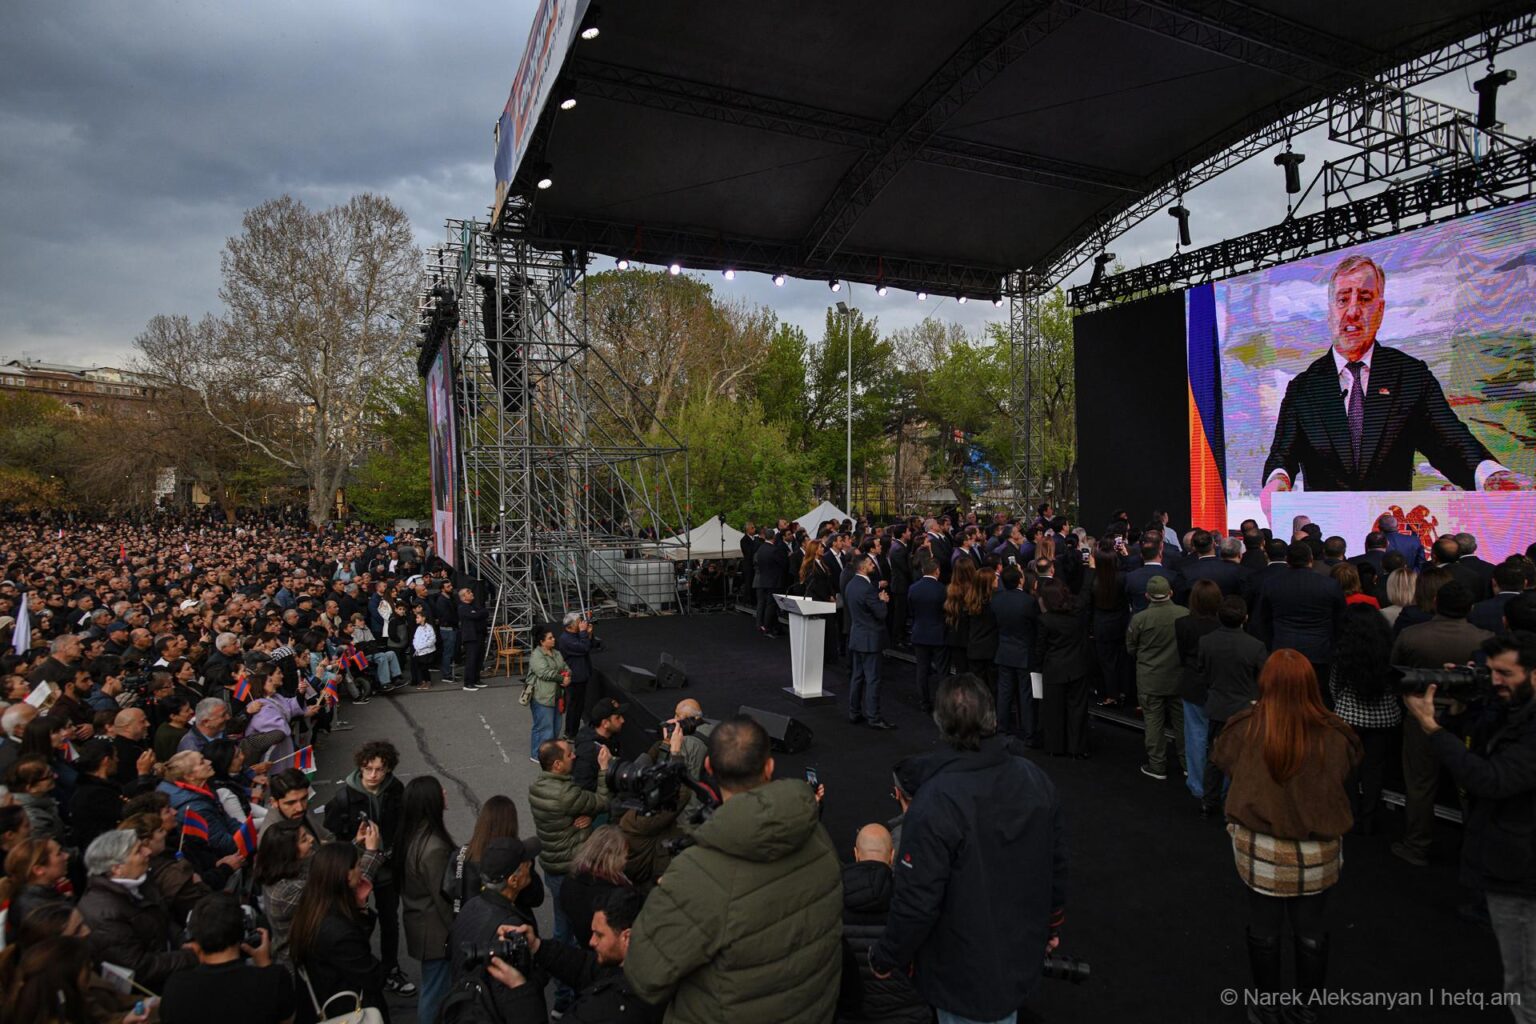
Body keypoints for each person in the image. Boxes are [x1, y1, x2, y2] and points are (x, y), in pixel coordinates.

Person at [1260, 254, 1531, 507]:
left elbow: (1450, 442)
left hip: (1393, 538)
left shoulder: (1410, 376)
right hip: (1326, 542)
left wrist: (1490, 475)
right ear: (1330, 311)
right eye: (1343, 299)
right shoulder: (1304, 388)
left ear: (1381, 309)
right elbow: (1282, 456)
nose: (1352, 311)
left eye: (1365, 298)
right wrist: (1277, 480)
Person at [869, 674, 1066, 1024]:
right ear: (992, 717)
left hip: (964, 973)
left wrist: (886, 956)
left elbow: (917, 902)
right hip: (1017, 953)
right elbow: (1056, 865)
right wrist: (1050, 926)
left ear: (941, 724)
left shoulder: (935, 800)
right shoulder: (1035, 779)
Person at [626, 715, 841, 1024]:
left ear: (710, 768)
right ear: (769, 766)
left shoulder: (698, 872)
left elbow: (645, 975)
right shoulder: (816, 837)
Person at [1211, 651, 1361, 1024]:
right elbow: (1349, 767)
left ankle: (1266, 1005)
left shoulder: (1246, 726)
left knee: (1264, 928)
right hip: (1318, 848)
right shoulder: (1335, 732)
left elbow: (1222, 757)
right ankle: (1306, 1008)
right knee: (1310, 929)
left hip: (1261, 846)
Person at [1403, 631, 1536, 1020]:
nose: (1495, 682)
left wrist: (1433, 729)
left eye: (1505, 674)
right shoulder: (1514, 710)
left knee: (1525, 984)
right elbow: (1483, 748)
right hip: (1507, 858)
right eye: (1491, 673)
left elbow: (1490, 779)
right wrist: (1461, 710)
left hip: (1521, 870)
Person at [1390, 580, 1492, 868]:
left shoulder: (1412, 635)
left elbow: (1395, 670)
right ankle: (1473, 850)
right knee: (1471, 784)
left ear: (1435, 602)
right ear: (1470, 607)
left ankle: (1416, 845)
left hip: (1421, 716)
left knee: (1420, 784)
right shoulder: (1485, 639)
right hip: (1468, 720)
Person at [322, 739, 414, 997]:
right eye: (368, 769)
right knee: (353, 922)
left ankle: (391, 968)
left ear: (388, 770)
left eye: (379, 769)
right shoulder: (344, 798)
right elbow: (331, 842)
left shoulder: (396, 789)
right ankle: (359, 970)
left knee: (389, 920)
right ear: (360, 767)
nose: (373, 775)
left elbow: (404, 825)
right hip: (354, 871)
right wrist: (355, 843)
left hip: (387, 870)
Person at [78, 828, 198, 992]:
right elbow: (139, 967)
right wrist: (192, 956)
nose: (148, 852)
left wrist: (186, 942)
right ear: (116, 869)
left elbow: (164, 919)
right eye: (138, 851)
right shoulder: (104, 913)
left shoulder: (140, 882)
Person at [444, 836, 548, 1023]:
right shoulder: (510, 927)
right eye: (527, 864)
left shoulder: (471, 905)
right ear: (513, 880)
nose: (531, 866)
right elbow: (519, 990)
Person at [529, 737, 613, 959]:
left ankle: (562, 983)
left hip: (552, 865)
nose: (574, 756)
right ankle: (570, 985)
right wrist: (604, 769)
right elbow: (603, 801)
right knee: (578, 929)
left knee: (561, 924)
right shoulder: (567, 795)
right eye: (568, 754)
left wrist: (585, 813)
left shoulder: (539, 786)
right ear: (557, 765)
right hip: (571, 870)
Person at [289, 841, 390, 1021]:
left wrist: (359, 907)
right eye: (358, 866)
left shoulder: (312, 907)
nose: (361, 871)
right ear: (345, 874)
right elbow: (373, 976)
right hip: (347, 1010)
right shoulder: (338, 931)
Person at [838, 823, 929, 1024]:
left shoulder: (834, 901)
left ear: (856, 854)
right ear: (892, 855)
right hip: (909, 1014)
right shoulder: (912, 902)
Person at [160, 893, 297, 1024]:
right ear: (241, 932)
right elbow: (286, 1019)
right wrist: (265, 964)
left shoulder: (175, 988)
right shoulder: (274, 979)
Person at [1196, 597, 1270, 819]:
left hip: (1218, 706)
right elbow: (1265, 678)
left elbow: (1203, 671)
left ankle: (1209, 802)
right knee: (1243, 759)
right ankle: (1234, 805)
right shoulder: (1255, 646)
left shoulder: (1206, 642)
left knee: (1215, 756)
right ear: (1245, 619)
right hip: (1245, 710)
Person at [397, 775, 457, 1024]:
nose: (445, 792)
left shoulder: (412, 835)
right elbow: (443, 897)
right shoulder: (434, 847)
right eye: (439, 790)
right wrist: (459, 928)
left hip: (421, 926)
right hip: (436, 934)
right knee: (435, 993)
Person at [442, 794, 545, 916]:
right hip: (508, 921)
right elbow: (535, 898)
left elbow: (448, 891)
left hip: (471, 920)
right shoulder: (515, 859)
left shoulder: (460, 856)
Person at [1127, 575, 1188, 780]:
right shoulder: (1184, 614)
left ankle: (1157, 765)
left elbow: (1131, 647)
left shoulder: (1140, 619)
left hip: (1150, 678)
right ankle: (1188, 763)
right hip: (1178, 677)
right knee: (1182, 723)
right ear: (1170, 593)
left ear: (1147, 596)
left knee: (1153, 722)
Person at [1176, 580, 1223, 802]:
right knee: (1221, 737)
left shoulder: (1183, 623)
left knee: (1195, 735)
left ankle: (1197, 784)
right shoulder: (1222, 625)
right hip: (1218, 685)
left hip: (1193, 683)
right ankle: (1221, 787)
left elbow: (1183, 655)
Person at [1036, 577, 1089, 757]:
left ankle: (1054, 747)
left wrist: (1036, 668)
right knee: (1078, 710)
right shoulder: (1077, 615)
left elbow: (1040, 648)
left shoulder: (1045, 620)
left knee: (1053, 710)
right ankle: (1077, 748)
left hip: (1054, 669)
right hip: (1077, 667)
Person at [560, 824, 633, 952]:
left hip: (583, 944)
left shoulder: (571, 879)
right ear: (612, 857)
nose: (626, 861)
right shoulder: (615, 892)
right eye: (624, 856)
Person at [845, 553, 894, 730]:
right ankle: (874, 717)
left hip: (857, 637)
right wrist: (883, 601)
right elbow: (880, 614)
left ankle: (854, 712)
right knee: (873, 679)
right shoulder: (867, 588)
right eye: (870, 563)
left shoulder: (851, 584)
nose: (873, 564)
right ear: (862, 566)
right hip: (870, 639)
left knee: (857, 677)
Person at [992, 564, 1039, 742]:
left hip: (1004, 651)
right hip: (1024, 653)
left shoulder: (996, 600)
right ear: (1021, 580)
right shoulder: (1028, 601)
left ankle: (1002, 728)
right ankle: (1029, 732)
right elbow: (1036, 626)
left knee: (1004, 693)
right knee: (1026, 694)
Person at [907, 556, 948, 713]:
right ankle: (943, 704)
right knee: (942, 672)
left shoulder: (913, 588)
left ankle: (924, 702)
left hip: (919, 633)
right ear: (937, 571)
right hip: (938, 634)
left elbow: (911, 610)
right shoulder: (942, 589)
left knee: (922, 670)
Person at [527, 624, 571, 759]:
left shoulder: (556, 653)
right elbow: (544, 673)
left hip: (557, 697)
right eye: (550, 638)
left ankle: (549, 754)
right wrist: (562, 678)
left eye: (553, 637)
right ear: (542, 642)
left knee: (556, 728)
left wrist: (568, 675)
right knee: (544, 728)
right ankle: (537, 755)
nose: (554, 640)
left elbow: (565, 666)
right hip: (543, 698)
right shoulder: (536, 655)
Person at [573, 697, 627, 792]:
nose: (623, 720)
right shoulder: (588, 751)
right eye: (618, 718)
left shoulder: (611, 737)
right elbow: (583, 786)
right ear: (605, 723)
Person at [558, 611, 598, 739]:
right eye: (578, 622)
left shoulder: (575, 634)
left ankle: (573, 732)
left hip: (581, 674)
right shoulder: (565, 639)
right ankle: (570, 734)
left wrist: (588, 633)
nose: (581, 623)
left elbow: (589, 645)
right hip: (574, 677)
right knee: (574, 706)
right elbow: (583, 648)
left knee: (579, 706)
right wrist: (583, 633)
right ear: (570, 625)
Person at [753, 528, 789, 638]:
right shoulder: (774, 550)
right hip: (774, 581)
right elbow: (783, 564)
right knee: (771, 605)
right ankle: (767, 627)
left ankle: (764, 625)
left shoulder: (761, 549)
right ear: (773, 537)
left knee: (764, 604)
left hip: (763, 580)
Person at [456, 588, 490, 691]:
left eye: (471, 591)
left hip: (479, 635)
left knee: (479, 659)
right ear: (463, 597)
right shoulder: (462, 607)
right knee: (471, 660)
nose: (471, 593)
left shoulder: (474, 605)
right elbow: (473, 615)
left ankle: (476, 679)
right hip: (470, 637)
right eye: (468, 593)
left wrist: (478, 613)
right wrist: (478, 614)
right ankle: (468, 683)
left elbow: (485, 612)